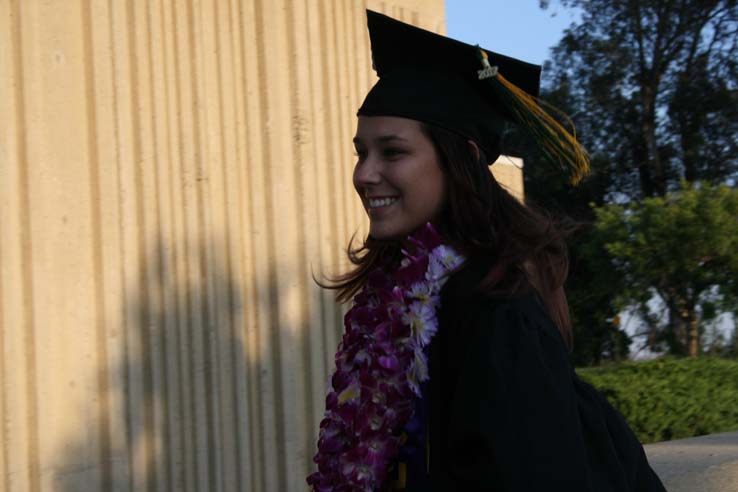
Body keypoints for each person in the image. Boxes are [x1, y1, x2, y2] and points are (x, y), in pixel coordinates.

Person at [307, 10, 667, 492]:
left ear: (463, 160)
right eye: (361, 152)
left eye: (392, 152)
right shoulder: (402, 293)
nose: (364, 174)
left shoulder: (493, 300)